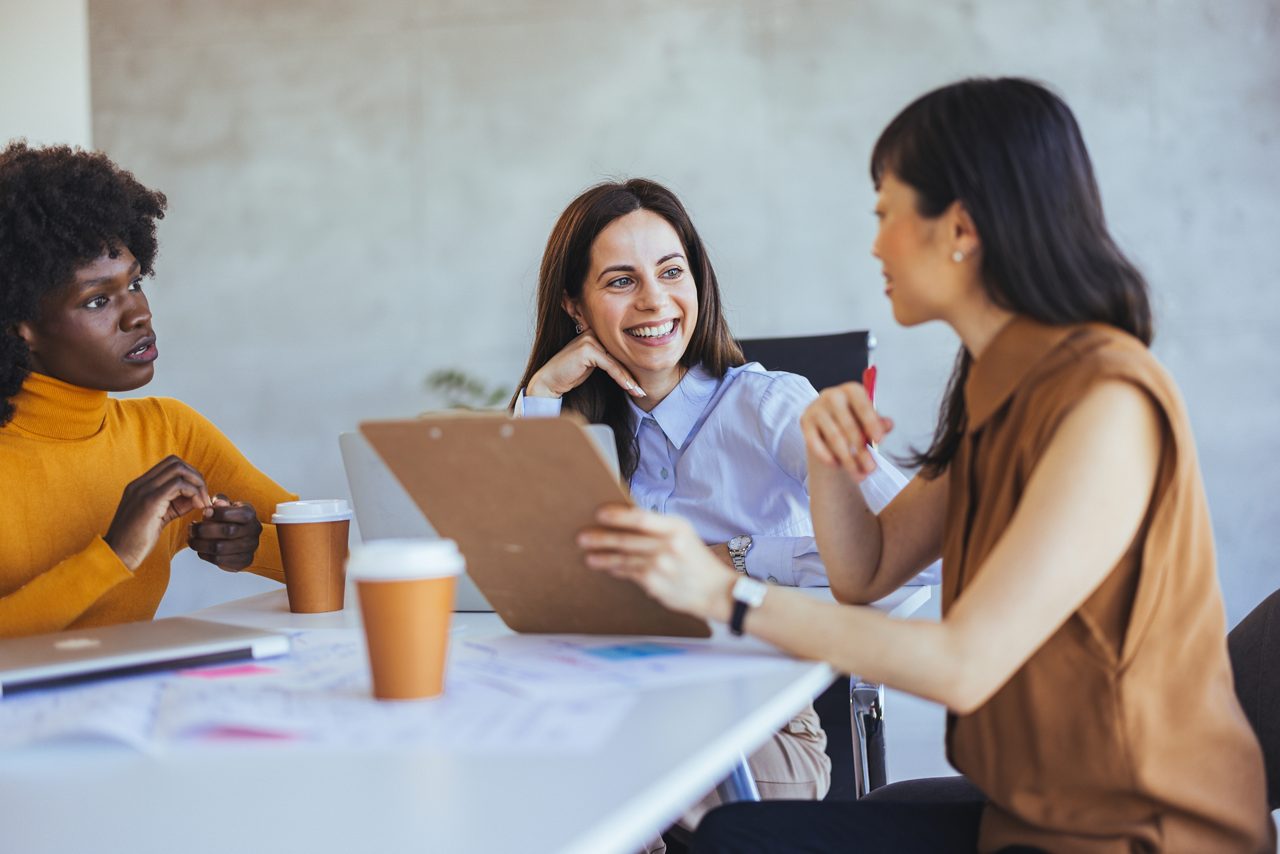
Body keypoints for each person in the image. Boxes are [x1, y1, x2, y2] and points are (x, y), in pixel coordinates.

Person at [576, 80, 1275, 852]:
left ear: (961, 228)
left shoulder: (1103, 401)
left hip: (1132, 832)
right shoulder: (996, 383)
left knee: (734, 841)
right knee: (736, 834)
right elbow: (867, 571)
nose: (874, 244)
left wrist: (724, 590)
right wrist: (825, 459)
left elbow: (965, 665)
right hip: (1029, 809)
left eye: (885, 214)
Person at [511, 178, 929, 841]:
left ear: (697, 284)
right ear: (577, 309)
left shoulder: (772, 407)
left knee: (580, 787)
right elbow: (522, 568)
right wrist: (540, 394)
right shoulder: (581, 426)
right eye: (621, 281)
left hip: (756, 732)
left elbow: (920, 557)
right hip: (620, 702)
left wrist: (741, 558)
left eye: (670, 272)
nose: (654, 299)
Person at [0, 141, 297, 639]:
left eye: (134, 284)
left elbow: (342, 556)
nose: (139, 314)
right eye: (97, 301)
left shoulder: (168, 433)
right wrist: (115, 553)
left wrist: (253, 547)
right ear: (20, 325)